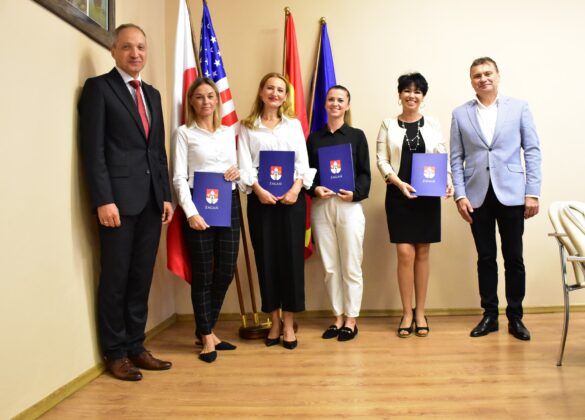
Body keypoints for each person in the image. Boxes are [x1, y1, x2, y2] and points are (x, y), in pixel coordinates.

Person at [78, 24, 173, 380]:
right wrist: (103, 200)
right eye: (128, 47)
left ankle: (136, 345)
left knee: (140, 277)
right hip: (117, 203)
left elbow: (157, 151)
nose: (136, 54)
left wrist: (165, 195)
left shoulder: (152, 94)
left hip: (151, 202)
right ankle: (115, 352)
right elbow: (93, 151)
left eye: (141, 47)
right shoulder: (99, 89)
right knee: (116, 278)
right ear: (113, 50)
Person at [450, 57, 542, 341]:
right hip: (477, 195)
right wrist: (460, 195)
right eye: (477, 75)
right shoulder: (460, 113)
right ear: (471, 81)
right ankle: (490, 315)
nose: (483, 78)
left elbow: (532, 150)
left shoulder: (519, 107)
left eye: (487, 73)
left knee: (514, 258)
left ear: (498, 76)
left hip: (512, 193)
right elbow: (456, 158)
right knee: (486, 258)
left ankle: (515, 317)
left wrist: (532, 192)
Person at [238, 72, 316, 350]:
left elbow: (303, 163)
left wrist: (296, 189)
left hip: (292, 201)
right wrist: (259, 190)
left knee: (291, 261)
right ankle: (274, 321)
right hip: (261, 202)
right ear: (261, 92)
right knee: (267, 260)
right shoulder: (247, 127)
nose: (274, 93)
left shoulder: (293, 125)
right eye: (270, 88)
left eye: (280, 90)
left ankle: (289, 324)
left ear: (285, 97)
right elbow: (244, 165)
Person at [376, 73, 453, 338]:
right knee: (404, 254)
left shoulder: (432, 124)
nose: (412, 95)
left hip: (428, 194)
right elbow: (382, 160)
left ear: (423, 96)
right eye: (407, 91)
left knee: (423, 252)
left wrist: (448, 180)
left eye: (417, 91)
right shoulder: (387, 124)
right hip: (399, 194)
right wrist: (399, 183)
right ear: (399, 95)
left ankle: (420, 312)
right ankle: (406, 312)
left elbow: (441, 155)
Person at [172, 78, 240, 363]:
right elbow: (179, 177)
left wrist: (236, 172)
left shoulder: (228, 132)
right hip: (198, 205)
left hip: (228, 203)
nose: (206, 101)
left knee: (225, 271)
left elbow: (235, 168)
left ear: (217, 100)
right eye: (199, 96)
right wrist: (191, 213)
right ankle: (208, 337)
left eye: (210, 96)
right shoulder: (184, 133)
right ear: (191, 101)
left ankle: (205, 329)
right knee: (203, 274)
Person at [306, 85, 371, 341]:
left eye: (340, 100)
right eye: (331, 99)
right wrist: (314, 189)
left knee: (351, 265)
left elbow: (365, 173)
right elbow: (307, 174)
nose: (335, 103)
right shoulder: (314, 139)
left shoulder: (357, 136)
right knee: (330, 266)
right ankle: (337, 317)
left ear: (347, 105)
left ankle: (351, 319)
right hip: (322, 207)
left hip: (349, 206)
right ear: (325, 104)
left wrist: (355, 194)